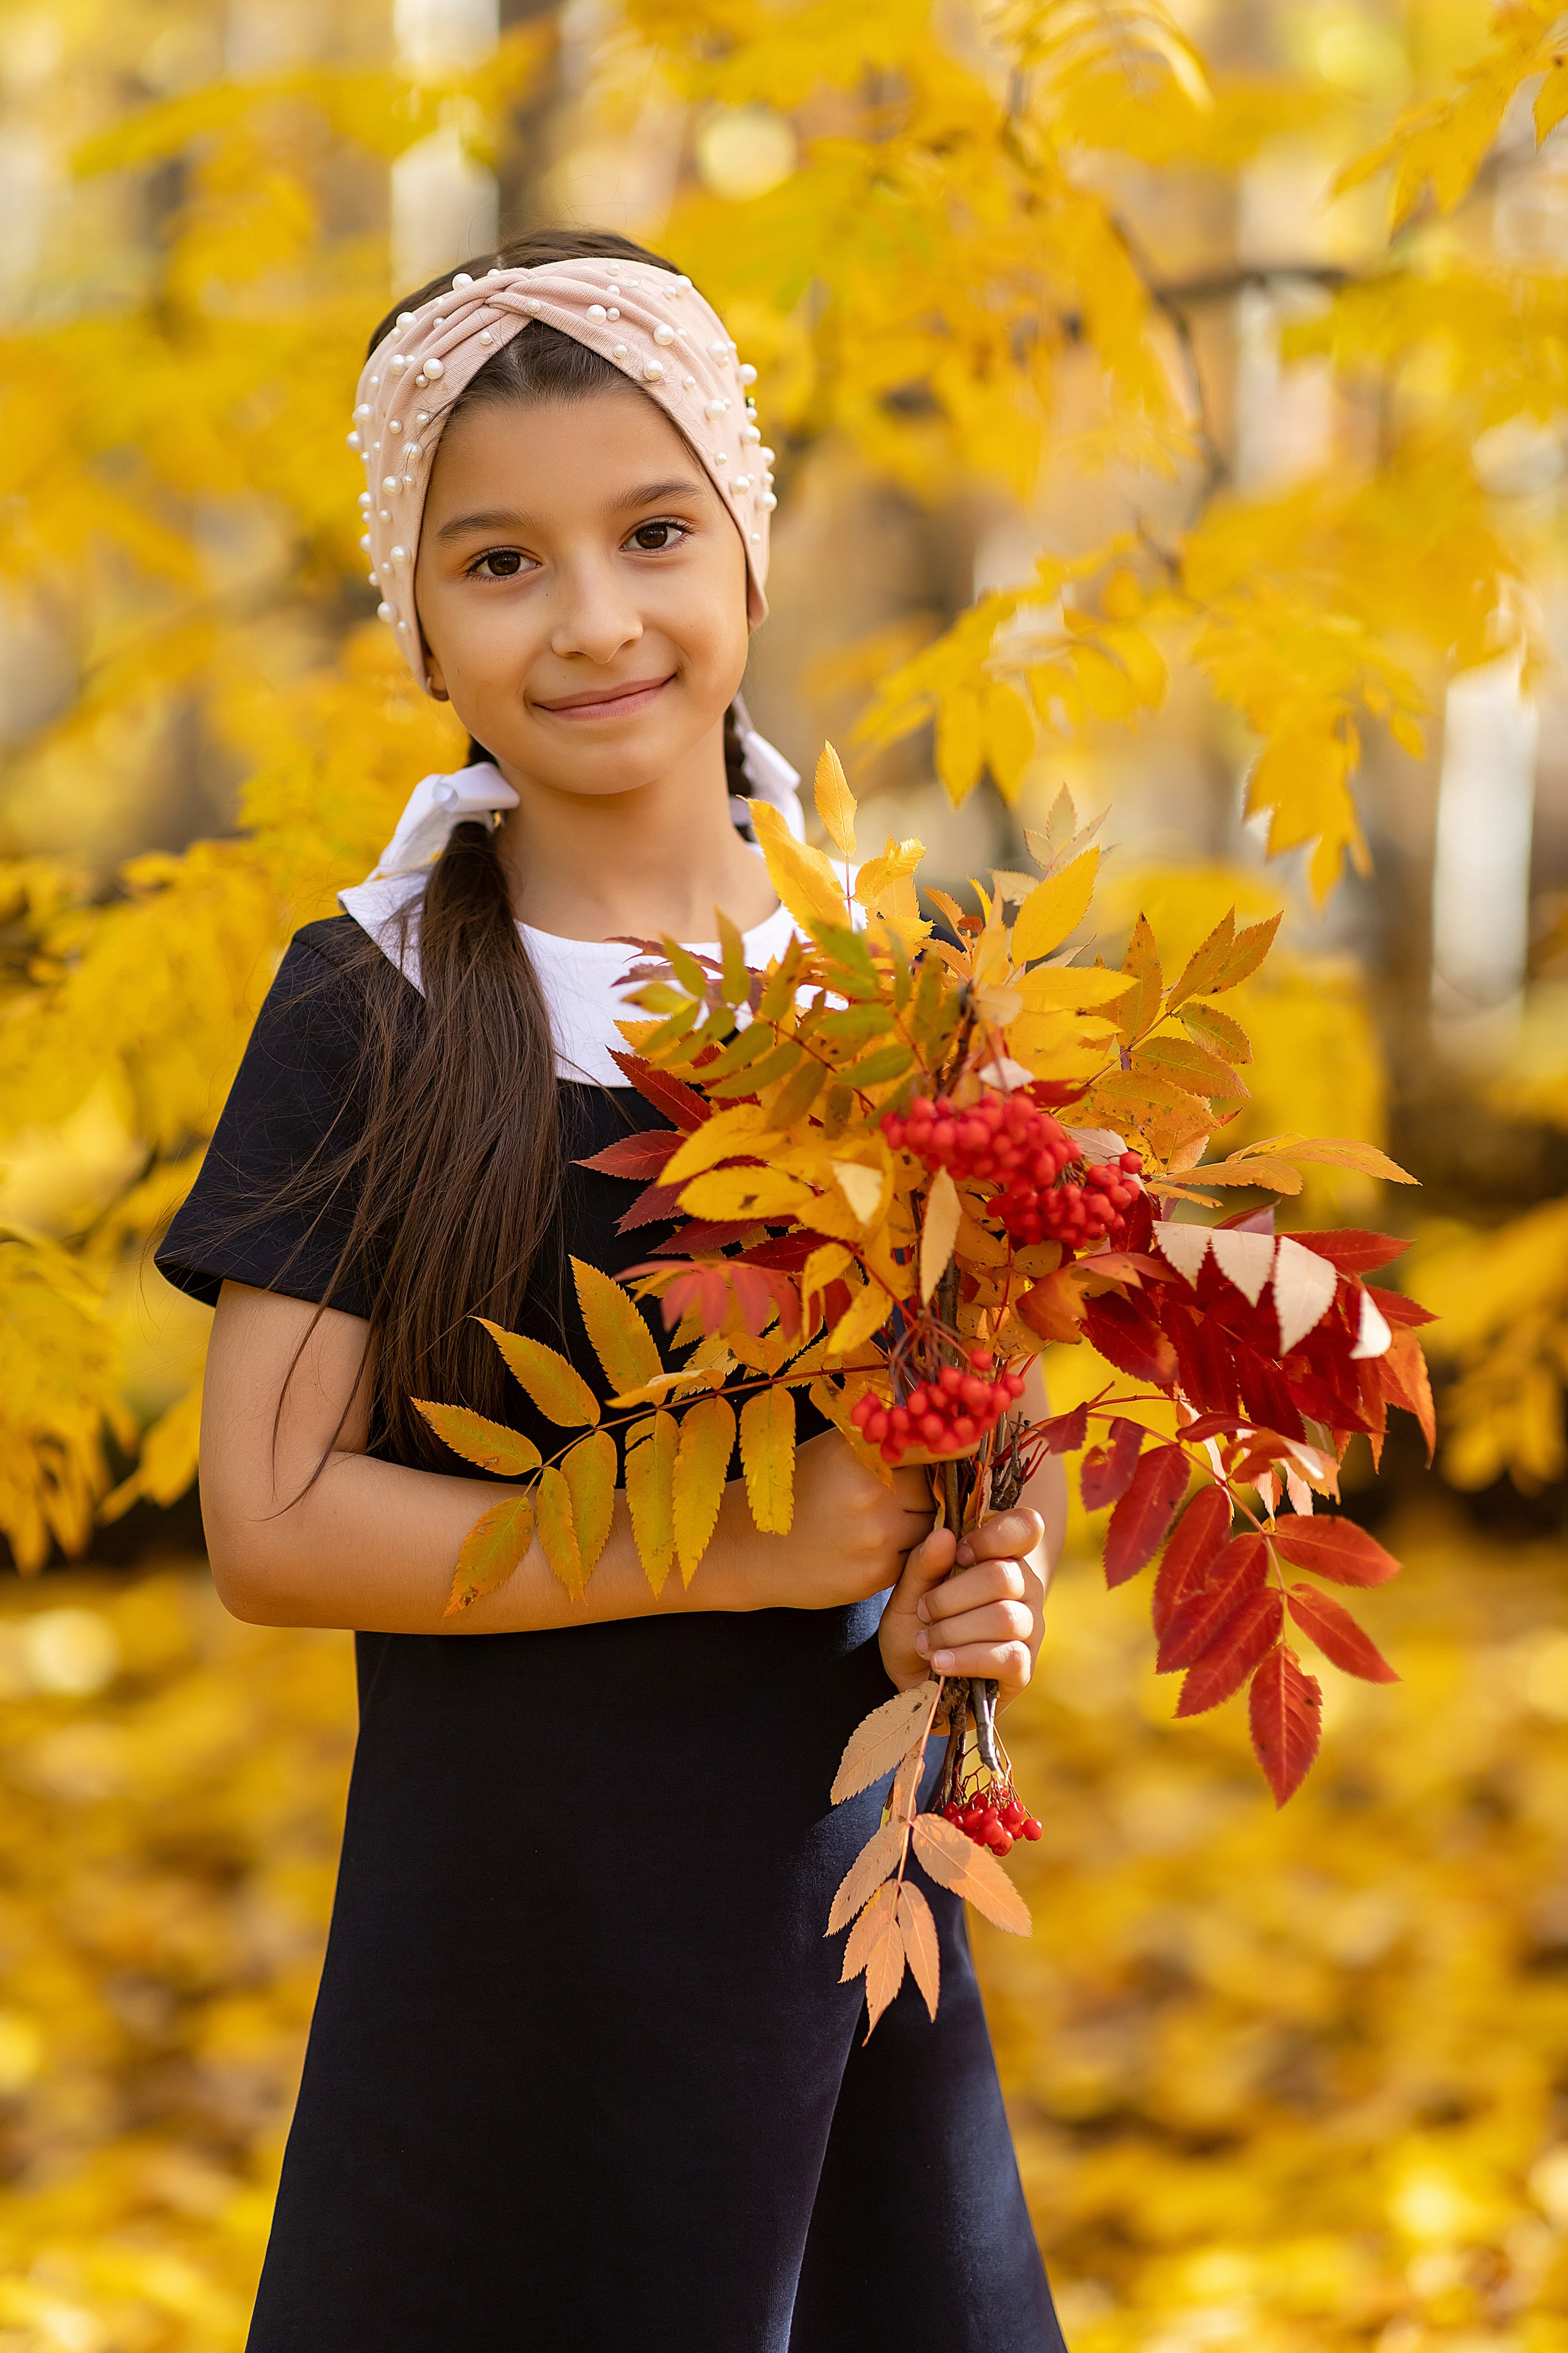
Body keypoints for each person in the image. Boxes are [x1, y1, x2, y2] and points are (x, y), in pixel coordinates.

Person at [157, 226, 1069, 2352]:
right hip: (509, 1947)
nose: (593, 621)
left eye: (654, 531)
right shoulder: (372, 1001)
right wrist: (748, 1548)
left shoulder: (900, 996)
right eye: (500, 563)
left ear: (746, 553)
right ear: (421, 626)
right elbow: (272, 1525)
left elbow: (959, 1470)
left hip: (838, 1937)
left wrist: (970, 1581)